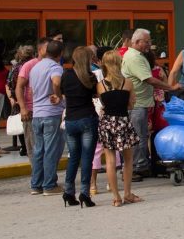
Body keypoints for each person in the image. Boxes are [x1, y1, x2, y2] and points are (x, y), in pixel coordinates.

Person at [121, 29, 177, 182]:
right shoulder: (135, 58)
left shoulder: (137, 55)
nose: (149, 44)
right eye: (146, 41)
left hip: (141, 103)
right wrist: (170, 87)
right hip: (137, 104)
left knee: (141, 135)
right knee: (138, 137)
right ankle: (137, 168)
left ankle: (141, 165)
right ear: (137, 42)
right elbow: (148, 79)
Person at [96, 50, 141, 206]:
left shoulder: (100, 85)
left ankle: (116, 197)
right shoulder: (127, 83)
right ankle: (127, 193)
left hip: (107, 123)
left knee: (110, 160)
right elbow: (131, 104)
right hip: (123, 121)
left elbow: (103, 104)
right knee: (128, 159)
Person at [55, 46, 99, 208]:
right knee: (87, 158)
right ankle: (85, 193)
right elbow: (96, 94)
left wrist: (58, 96)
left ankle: (68, 192)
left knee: (73, 157)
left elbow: (59, 90)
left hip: (71, 120)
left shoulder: (66, 75)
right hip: (87, 118)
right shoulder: (90, 76)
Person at [29, 40, 67, 195]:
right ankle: (49, 185)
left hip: (37, 113)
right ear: (60, 54)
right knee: (51, 150)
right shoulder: (55, 67)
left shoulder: (35, 67)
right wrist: (59, 95)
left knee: (39, 150)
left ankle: (36, 184)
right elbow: (56, 82)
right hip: (51, 113)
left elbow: (31, 90)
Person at [15, 37, 49, 163]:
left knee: (48, 148)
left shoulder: (53, 64)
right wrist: (23, 108)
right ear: (40, 49)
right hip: (31, 111)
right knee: (33, 147)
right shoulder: (29, 65)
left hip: (48, 111)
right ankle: (36, 173)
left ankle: (46, 174)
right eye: (47, 47)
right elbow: (19, 86)